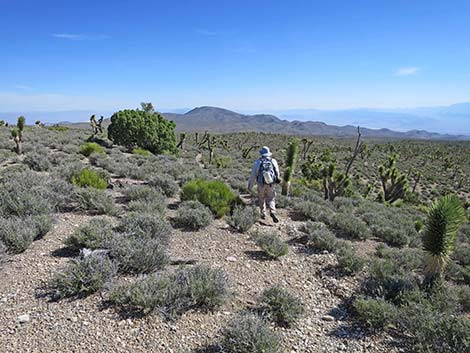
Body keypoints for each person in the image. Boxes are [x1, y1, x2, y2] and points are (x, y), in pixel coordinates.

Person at [248, 146, 281, 223]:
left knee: (261, 198)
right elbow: (277, 172)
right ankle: (272, 211)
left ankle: (263, 213)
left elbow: (253, 175)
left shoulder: (257, 162)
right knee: (271, 198)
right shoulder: (273, 161)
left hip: (261, 183)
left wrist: (250, 186)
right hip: (270, 183)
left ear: (262, 153)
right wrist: (277, 179)